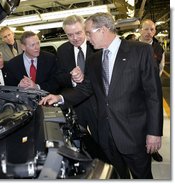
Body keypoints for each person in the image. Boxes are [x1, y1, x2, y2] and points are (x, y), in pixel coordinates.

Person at [39, 12, 163, 179]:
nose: (87, 38)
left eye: (88, 33)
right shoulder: (94, 59)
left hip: (134, 134)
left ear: (103, 30)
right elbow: (86, 89)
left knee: (143, 176)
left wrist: (154, 132)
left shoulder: (140, 51)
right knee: (118, 175)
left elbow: (153, 95)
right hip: (106, 135)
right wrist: (59, 98)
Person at [56, 15, 98, 140]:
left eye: (78, 33)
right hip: (75, 105)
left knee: (101, 139)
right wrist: (72, 78)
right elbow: (58, 77)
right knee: (79, 141)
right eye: (70, 35)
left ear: (85, 29)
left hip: (97, 102)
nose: (75, 38)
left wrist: (85, 77)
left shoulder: (96, 46)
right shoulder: (62, 50)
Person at [139, 19, 165, 162]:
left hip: (151, 90)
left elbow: (160, 68)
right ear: (140, 30)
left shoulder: (158, 47)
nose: (149, 32)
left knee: (153, 118)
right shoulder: (131, 45)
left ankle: (153, 150)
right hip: (135, 92)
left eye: (152, 29)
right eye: (146, 29)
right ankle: (140, 147)